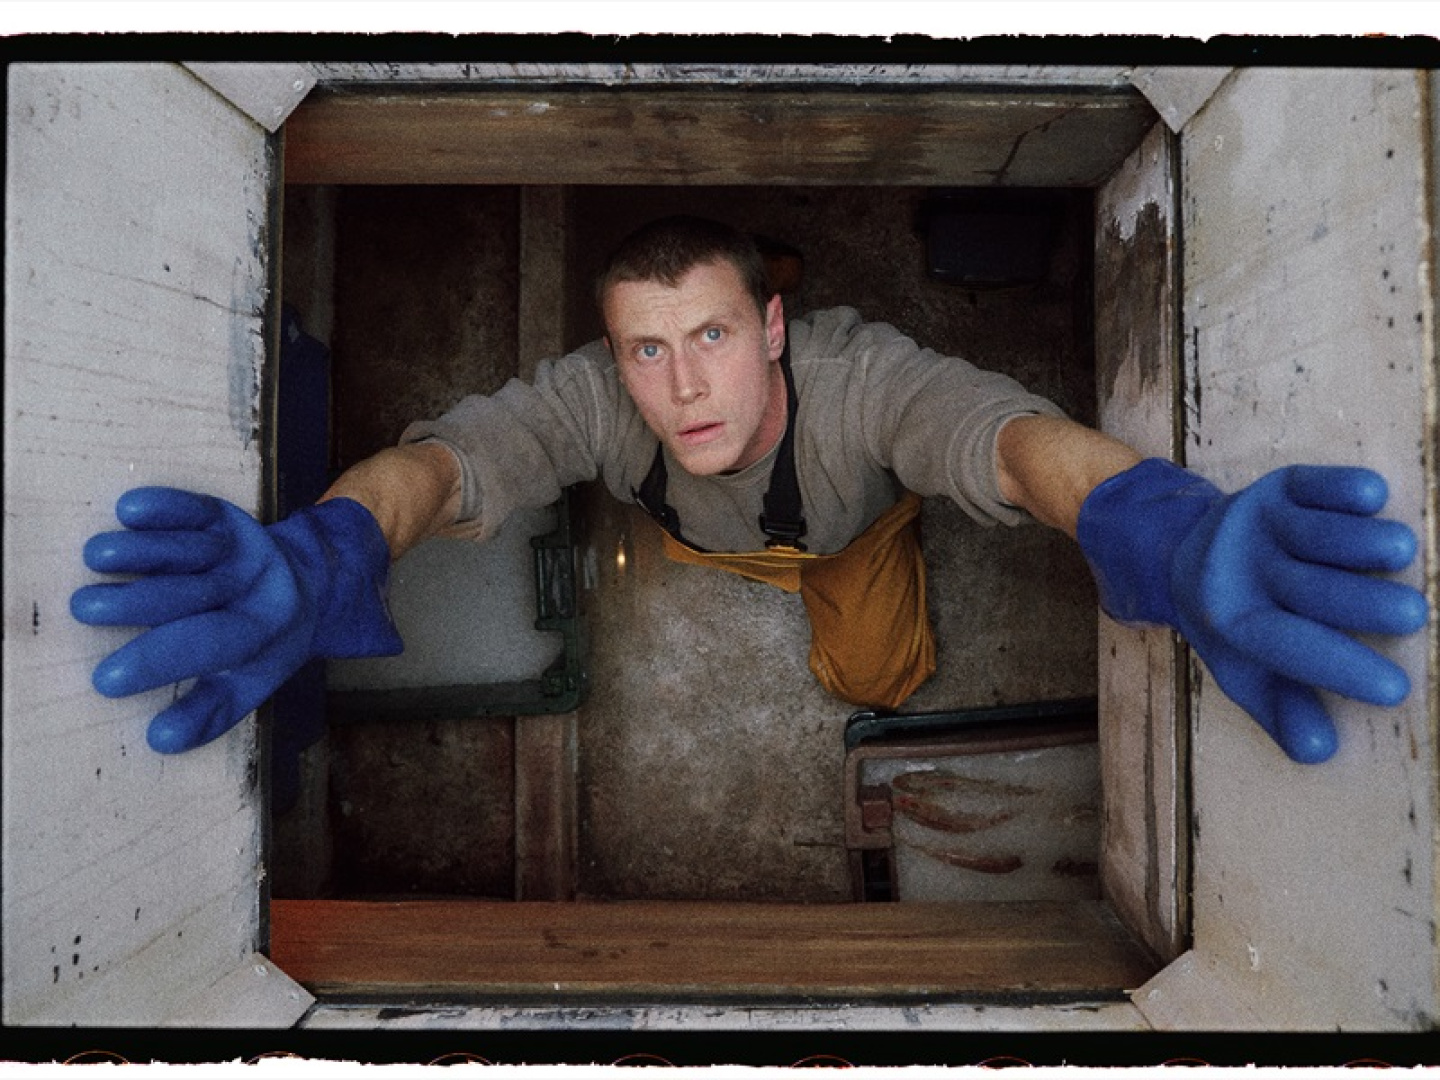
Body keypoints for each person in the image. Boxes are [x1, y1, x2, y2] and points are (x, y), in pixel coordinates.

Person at [71, 216, 1428, 765]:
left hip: (846, 540)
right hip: (704, 545)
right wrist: (336, 543)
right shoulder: (602, 397)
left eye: (712, 335)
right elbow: (449, 463)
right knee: (684, 531)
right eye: (646, 350)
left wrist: (1150, 521)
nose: (680, 388)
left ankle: (866, 611)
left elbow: (1004, 439)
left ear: (774, 328)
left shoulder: (864, 377)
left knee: (875, 674)